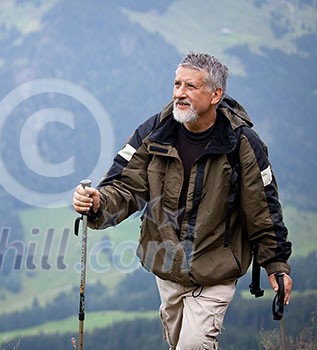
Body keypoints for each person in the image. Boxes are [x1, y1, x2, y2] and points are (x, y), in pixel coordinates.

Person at [72, 52, 293, 349]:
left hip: (216, 272)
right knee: (177, 344)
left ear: (216, 94)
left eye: (191, 86)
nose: (180, 93)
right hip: (167, 269)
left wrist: (276, 262)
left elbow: (263, 206)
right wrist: (98, 202)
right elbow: (124, 186)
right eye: (177, 84)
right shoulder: (154, 133)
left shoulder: (241, 144)